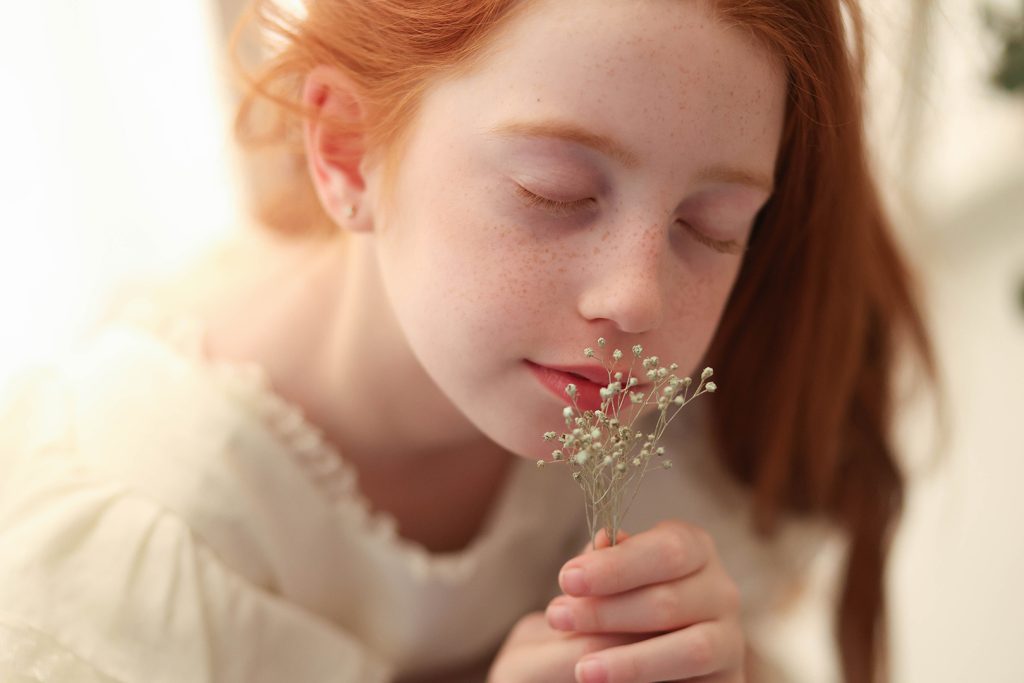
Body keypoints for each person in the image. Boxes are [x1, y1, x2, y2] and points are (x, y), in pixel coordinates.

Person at [0, 0, 936, 681]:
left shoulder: (682, 439)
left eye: (712, 226)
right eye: (555, 193)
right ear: (343, 147)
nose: (636, 298)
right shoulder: (123, 542)